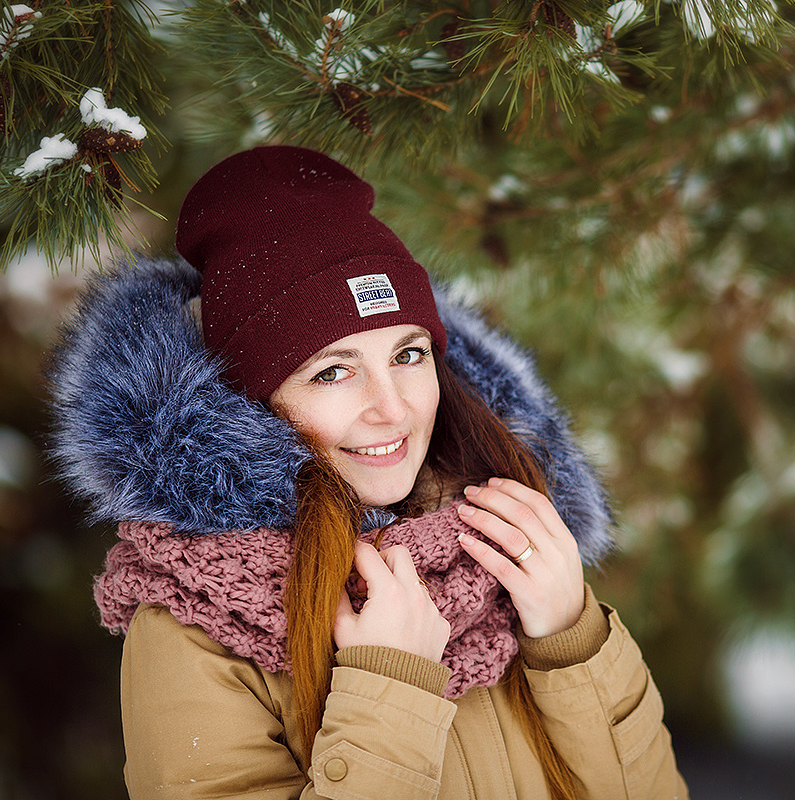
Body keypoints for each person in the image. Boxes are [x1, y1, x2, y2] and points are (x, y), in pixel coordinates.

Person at [49, 146, 689, 799]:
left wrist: (571, 641)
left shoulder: (501, 554)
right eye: (333, 370)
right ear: (250, 402)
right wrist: (387, 690)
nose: (394, 407)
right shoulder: (195, 626)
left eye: (409, 354)